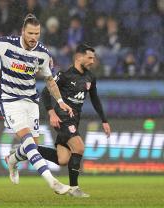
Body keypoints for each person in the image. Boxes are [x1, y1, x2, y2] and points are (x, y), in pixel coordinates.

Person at [0, 13, 73, 195]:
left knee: (31, 148)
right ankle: (53, 182)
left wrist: (60, 101)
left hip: (31, 101)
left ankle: (11, 160)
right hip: (9, 99)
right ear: (22, 32)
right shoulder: (6, 43)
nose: (34, 37)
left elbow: (49, 80)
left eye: (37, 34)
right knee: (28, 142)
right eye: (30, 33)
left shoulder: (42, 54)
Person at [37, 44, 111, 197]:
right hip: (62, 118)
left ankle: (27, 149)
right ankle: (74, 189)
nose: (92, 61)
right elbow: (45, 93)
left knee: (63, 159)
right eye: (89, 57)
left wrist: (104, 120)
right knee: (79, 147)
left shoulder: (90, 77)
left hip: (74, 119)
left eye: (93, 58)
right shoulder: (64, 75)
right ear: (79, 57)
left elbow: (95, 99)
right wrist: (52, 113)